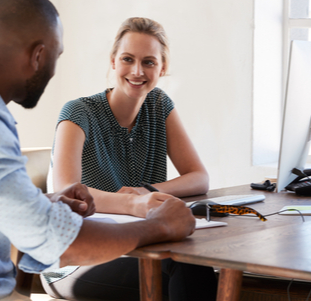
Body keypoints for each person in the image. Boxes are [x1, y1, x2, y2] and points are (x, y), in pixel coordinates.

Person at [0, 2, 196, 301]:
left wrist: (40, 203)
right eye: (57, 56)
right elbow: (59, 243)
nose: (53, 71)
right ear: (38, 55)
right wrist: (159, 225)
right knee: (185, 269)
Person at [46, 17, 217, 301]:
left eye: (149, 62)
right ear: (113, 61)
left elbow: (199, 177)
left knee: (193, 262)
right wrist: (134, 203)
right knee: (184, 269)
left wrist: (148, 192)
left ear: (162, 69)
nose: (137, 71)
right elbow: (66, 192)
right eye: (128, 59)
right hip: (73, 259)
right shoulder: (78, 113)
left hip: (139, 244)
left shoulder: (159, 105)